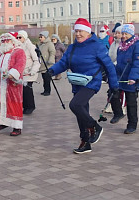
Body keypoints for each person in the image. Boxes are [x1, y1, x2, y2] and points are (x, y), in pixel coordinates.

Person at [48, 18, 119, 154]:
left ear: (87, 32)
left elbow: (109, 66)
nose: (78, 34)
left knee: (75, 105)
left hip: (91, 82)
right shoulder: (72, 47)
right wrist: (52, 71)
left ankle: (95, 127)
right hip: (77, 82)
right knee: (82, 112)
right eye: (76, 31)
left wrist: (114, 85)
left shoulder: (96, 46)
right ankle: (85, 142)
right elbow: (64, 63)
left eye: (81, 31)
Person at [0, 32, 26, 136]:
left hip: (12, 84)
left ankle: (17, 126)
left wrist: (12, 74)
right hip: (0, 83)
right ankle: (3, 122)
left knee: (13, 104)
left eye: (7, 40)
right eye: (3, 41)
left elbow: (20, 64)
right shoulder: (1, 53)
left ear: (13, 40)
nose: (5, 42)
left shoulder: (18, 51)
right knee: (0, 102)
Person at [110, 24, 139, 134]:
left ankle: (132, 124)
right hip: (120, 75)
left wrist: (133, 78)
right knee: (112, 93)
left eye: (125, 34)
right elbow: (118, 62)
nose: (123, 36)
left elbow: (137, 63)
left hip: (131, 78)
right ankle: (118, 113)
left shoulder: (136, 45)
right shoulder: (121, 46)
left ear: (131, 34)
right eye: (122, 33)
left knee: (131, 102)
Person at [17, 30, 40, 114]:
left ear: (25, 37)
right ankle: (25, 106)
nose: (18, 39)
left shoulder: (30, 47)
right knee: (22, 90)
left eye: (20, 37)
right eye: (17, 37)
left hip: (30, 73)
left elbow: (36, 60)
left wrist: (33, 70)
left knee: (27, 89)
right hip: (21, 73)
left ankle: (30, 106)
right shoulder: (17, 47)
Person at [105, 24, 126, 114]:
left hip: (122, 70)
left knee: (122, 91)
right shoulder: (113, 44)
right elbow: (110, 56)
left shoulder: (124, 45)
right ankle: (110, 106)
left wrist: (115, 64)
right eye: (115, 33)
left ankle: (123, 107)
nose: (115, 35)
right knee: (112, 89)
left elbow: (122, 58)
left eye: (118, 33)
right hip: (113, 70)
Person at [38, 31, 55, 96]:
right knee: (44, 78)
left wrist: (50, 60)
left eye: (41, 37)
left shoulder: (49, 44)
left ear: (45, 37)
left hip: (48, 65)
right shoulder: (40, 44)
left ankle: (48, 91)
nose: (40, 38)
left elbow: (52, 52)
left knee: (47, 79)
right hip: (42, 64)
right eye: (39, 37)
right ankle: (45, 90)